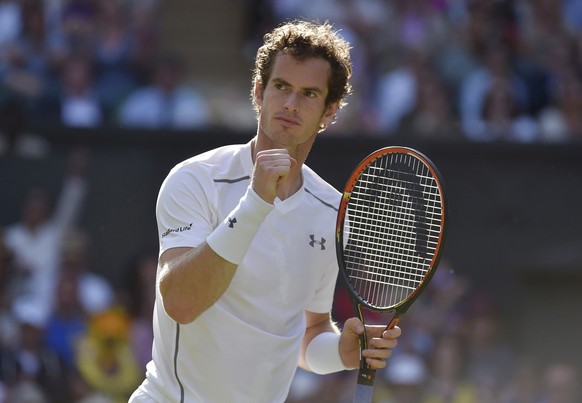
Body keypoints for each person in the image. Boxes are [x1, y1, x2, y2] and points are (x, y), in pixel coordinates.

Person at [129, 20, 401, 403]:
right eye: (281, 87)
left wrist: (341, 351)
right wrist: (256, 202)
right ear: (258, 92)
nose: (290, 104)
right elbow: (180, 303)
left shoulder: (332, 212)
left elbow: (308, 333)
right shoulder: (194, 179)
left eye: (309, 94)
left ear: (329, 112)